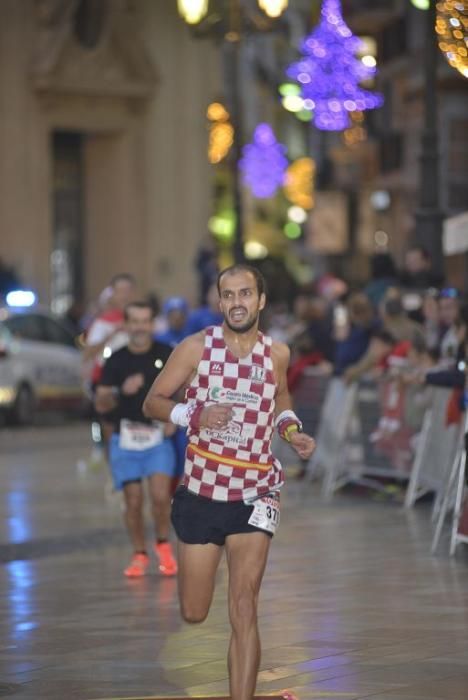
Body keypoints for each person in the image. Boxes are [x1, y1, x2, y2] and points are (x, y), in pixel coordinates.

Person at [143, 264, 315, 700]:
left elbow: (280, 397)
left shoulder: (277, 353)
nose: (236, 302)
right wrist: (193, 414)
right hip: (202, 491)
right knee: (195, 612)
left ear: (260, 300)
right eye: (228, 295)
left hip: (257, 490)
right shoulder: (196, 348)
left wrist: (292, 431)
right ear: (219, 302)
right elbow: (153, 402)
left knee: (244, 605)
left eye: (245, 294)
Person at [95, 301, 178, 578]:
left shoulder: (166, 354)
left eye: (145, 321)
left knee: (159, 496)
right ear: (126, 325)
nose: (140, 327)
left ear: (152, 324)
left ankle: (163, 544)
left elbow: (185, 388)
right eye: (135, 321)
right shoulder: (116, 359)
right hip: (125, 439)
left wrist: (173, 419)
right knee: (133, 500)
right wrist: (121, 390)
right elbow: (101, 402)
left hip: (157, 438)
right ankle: (139, 552)